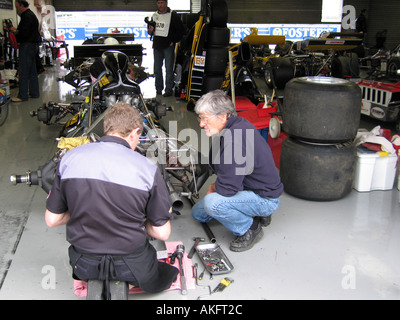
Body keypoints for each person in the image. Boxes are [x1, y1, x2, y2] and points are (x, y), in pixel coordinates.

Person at [45, 102, 179, 299]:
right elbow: (162, 233)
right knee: (167, 274)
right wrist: (141, 220)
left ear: (107, 128)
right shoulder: (147, 169)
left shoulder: (69, 159)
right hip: (130, 267)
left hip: (83, 264)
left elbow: (52, 220)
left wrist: (86, 208)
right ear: (134, 132)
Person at [192, 90, 284, 252]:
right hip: (249, 186)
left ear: (221, 116)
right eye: (200, 119)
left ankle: (250, 227)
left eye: (204, 119)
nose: (201, 124)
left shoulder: (234, 140)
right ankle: (253, 212)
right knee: (197, 214)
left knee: (212, 203)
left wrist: (213, 188)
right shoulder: (234, 124)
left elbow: (227, 190)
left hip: (265, 197)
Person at [148, 0, 185, 97]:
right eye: (159, 3)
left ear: (166, 3)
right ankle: (158, 88)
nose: (160, 5)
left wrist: (174, 40)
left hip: (168, 46)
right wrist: (150, 30)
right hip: (157, 46)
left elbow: (181, 30)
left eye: (162, 3)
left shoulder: (173, 15)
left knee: (168, 69)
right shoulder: (154, 15)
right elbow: (150, 31)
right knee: (157, 69)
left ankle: (168, 90)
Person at [10, 0, 41, 102]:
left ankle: (22, 96)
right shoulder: (31, 14)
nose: (16, 9)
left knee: (23, 71)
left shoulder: (26, 16)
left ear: (21, 5)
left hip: (27, 45)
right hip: (33, 45)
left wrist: (15, 31)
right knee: (32, 71)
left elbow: (24, 33)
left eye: (17, 6)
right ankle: (34, 93)